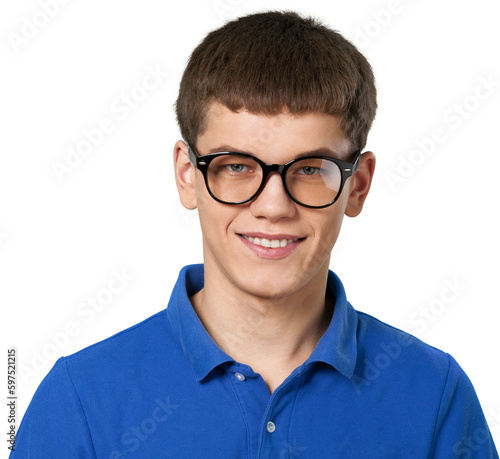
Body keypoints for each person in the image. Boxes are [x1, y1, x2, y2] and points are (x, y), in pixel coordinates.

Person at [11, 10, 498, 458]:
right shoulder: (79, 398)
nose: (273, 207)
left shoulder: (435, 394)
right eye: (237, 166)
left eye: (310, 168)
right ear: (187, 174)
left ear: (358, 185)